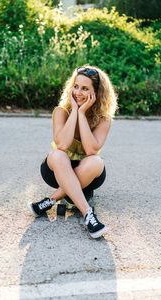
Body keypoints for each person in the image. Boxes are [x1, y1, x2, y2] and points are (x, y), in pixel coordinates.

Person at [28, 65, 118, 238]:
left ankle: (50, 201)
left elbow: (92, 150)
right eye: (76, 86)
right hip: (57, 170)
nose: (78, 92)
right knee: (57, 154)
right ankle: (88, 214)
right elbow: (61, 144)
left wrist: (83, 114)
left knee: (96, 161)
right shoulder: (61, 112)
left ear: (96, 93)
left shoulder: (104, 119)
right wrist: (75, 112)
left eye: (85, 88)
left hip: (88, 174)